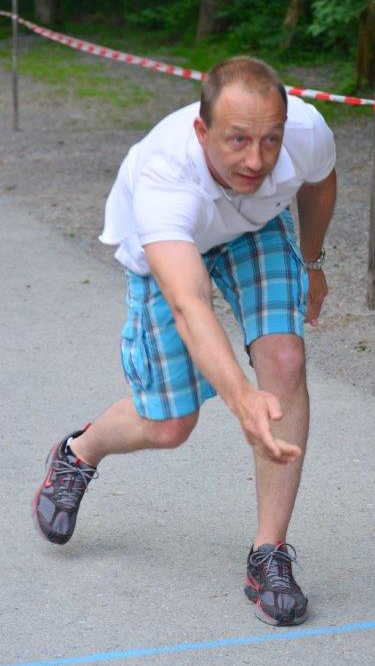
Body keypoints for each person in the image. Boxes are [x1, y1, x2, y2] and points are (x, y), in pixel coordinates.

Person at [32, 56, 337, 627]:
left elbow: (320, 181)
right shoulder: (164, 178)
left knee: (285, 357)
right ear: (202, 131)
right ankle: (78, 453)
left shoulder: (306, 132)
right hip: (170, 249)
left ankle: (268, 554)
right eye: (238, 140)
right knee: (170, 426)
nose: (257, 160)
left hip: (254, 226)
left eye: (270, 140)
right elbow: (190, 303)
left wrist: (313, 262)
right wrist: (242, 399)